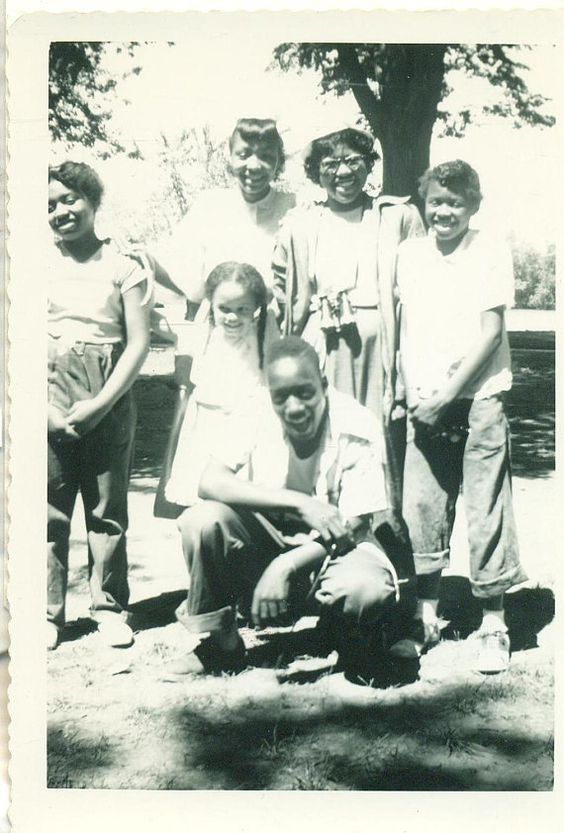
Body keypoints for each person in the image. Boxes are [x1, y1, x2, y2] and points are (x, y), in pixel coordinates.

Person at [168, 336, 416, 681]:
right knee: (201, 520)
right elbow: (210, 482)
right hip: (270, 538)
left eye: (305, 392)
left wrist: (285, 565)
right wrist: (301, 503)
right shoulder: (253, 410)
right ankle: (222, 647)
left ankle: (349, 636)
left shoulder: (357, 423)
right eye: (281, 396)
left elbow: (356, 524)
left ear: (324, 385)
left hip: (334, 551)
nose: (295, 407)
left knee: (364, 589)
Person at [395, 159, 527, 673]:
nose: (444, 211)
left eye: (455, 202)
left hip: (478, 397)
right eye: (436, 202)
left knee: (485, 506)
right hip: (425, 400)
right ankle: (425, 615)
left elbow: (491, 332)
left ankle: (495, 622)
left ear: (473, 206)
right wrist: (410, 392)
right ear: (424, 206)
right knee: (422, 506)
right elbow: (405, 329)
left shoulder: (489, 249)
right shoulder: (409, 254)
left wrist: (449, 394)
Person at [272, 126, 425, 515]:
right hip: (321, 346)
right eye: (331, 164)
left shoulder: (396, 216)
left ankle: (382, 536)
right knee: (324, 433)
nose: (343, 172)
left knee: (380, 436)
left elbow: (420, 289)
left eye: (353, 161)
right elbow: (281, 290)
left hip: (380, 349)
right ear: (316, 172)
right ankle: (320, 530)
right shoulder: (300, 224)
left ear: (369, 164)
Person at [47, 161, 153, 650]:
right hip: (48, 388)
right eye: (50, 205)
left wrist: (101, 405)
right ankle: (48, 614)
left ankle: (110, 607)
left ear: (93, 202)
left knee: (106, 508)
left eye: (69, 200)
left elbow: (137, 344)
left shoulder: (123, 265)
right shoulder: (34, 264)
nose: (61, 211)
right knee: (49, 508)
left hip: (108, 391)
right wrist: (43, 410)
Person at [163, 261, 277, 510]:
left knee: (239, 501)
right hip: (207, 425)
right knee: (199, 499)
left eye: (242, 309)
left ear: (256, 308)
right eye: (224, 308)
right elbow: (168, 330)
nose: (233, 317)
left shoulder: (263, 333)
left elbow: (270, 379)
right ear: (211, 305)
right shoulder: (207, 331)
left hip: (246, 427)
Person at [154, 117, 296, 307]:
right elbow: (187, 282)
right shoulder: (209, 205)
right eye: (244, 155)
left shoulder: (294, 208)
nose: (254, 166)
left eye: (266, 156)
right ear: (230, 156)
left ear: (278, 161)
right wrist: (148, 263)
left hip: (275, 327)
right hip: (219, 325)